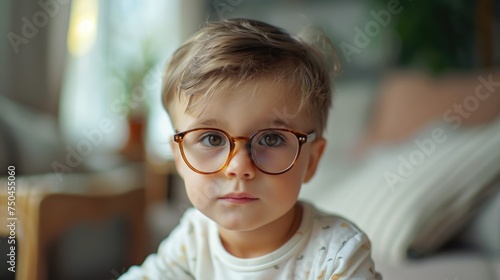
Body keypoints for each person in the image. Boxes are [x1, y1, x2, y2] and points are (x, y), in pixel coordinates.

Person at [120, 18, 382, 280]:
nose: (239, 167)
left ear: (312, 160)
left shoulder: (339, 255)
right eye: (212, 139)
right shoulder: (193, 238)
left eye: (270, 139)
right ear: (179, 157)